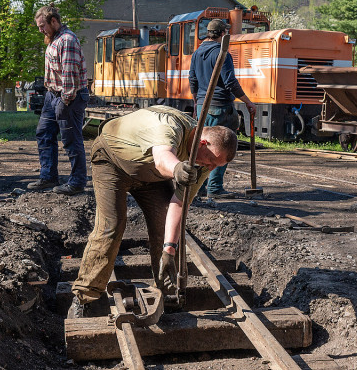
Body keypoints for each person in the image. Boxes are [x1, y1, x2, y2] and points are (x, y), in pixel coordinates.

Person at [71, 105, 238, 307]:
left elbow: (179, 204)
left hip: (150, 177)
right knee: (112, 226)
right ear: (202, 143)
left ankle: (167, 294)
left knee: (165, 224)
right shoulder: (169, 126)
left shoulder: (201, 164)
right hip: (112, 161)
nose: (210, 168)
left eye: (216, 166)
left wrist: (169, 250)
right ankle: (84, 297)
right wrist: (177, 168)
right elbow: (161, 158)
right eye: (211, 160)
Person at [188, 18, 256, 199]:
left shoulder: (197, 53)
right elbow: (230, 82)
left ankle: (199, 187)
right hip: (220, 107)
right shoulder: (222, 53)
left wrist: (197, 102)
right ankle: (215, 187)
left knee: (202, 147)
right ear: (223, 34)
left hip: (203, 106)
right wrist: (248, 101)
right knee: (222, 146)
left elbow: (192, 80)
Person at [28, 4, 90, 196]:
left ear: (53, 21)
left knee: (71, 139)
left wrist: (65, 100)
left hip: (68, 97)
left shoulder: (67, 40)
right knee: (44, 133)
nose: (40, 30)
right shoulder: (53, 40)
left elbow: (69, 76)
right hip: (52, 95)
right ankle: (48, 177)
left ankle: (77, 182)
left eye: (42, 26)